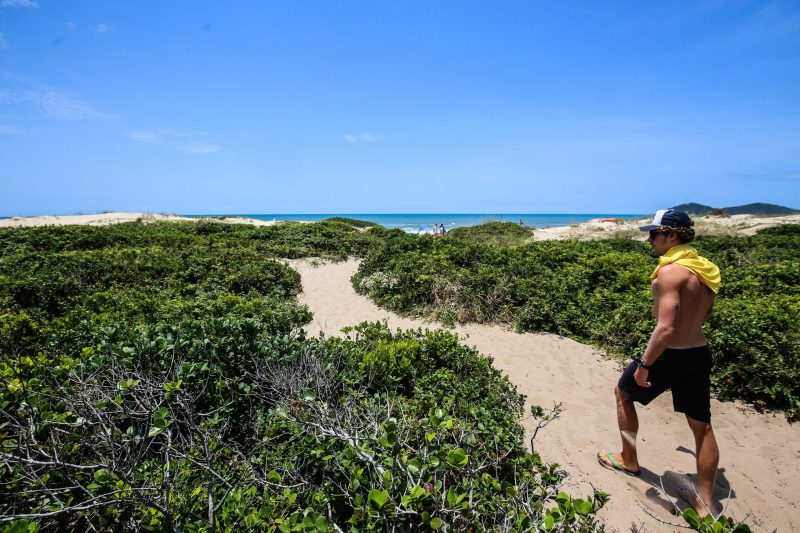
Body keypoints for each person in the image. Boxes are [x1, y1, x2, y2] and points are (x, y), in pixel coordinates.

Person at [597, 209, 722, 518]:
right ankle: (706, 502)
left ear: (672, 234)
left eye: (654, 234)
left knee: (623, 393)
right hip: (698, 352)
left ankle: (628, 459)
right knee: (701, 427)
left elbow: (666, 327)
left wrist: (644, 363)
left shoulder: (670, 273)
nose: (649, 239)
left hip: (670, 354)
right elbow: (704, 315)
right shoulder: (705, 271)